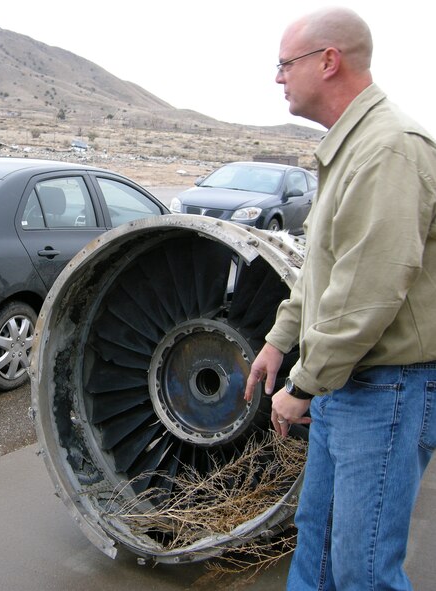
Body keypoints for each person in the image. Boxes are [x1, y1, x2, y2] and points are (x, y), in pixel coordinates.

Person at [244, 7, 436, 591]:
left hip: (384, 389)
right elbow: (322, 269)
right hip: (346, 383)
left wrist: (304, 385)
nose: (278, 78)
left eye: (285, 64)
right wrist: (280, 341)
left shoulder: (389, 149)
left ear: (329, 62)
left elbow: (368, 292)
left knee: (362, 567)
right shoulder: (349, 146)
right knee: (320, 545)